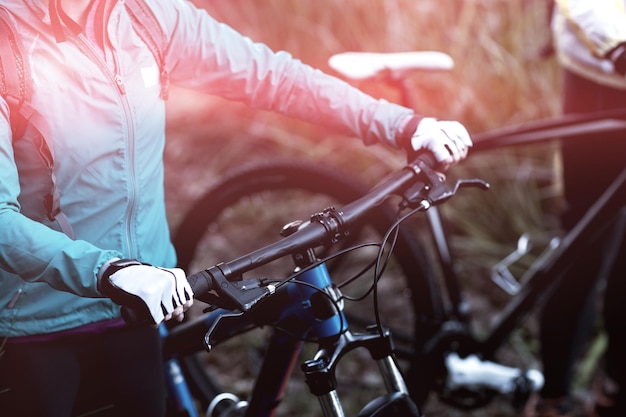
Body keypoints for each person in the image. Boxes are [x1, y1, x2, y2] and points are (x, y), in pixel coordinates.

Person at [0, 0, 472, 416]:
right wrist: (110, 272)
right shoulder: (9, 44)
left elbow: (272, 76)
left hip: (136, 310)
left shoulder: (145, 16)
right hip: (34, 323)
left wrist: (401, 124)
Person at [533, 1, 626, 416]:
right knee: (586, 247)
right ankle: (552, 397)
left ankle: (615, 391)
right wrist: (618, 48)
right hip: (600, 84)